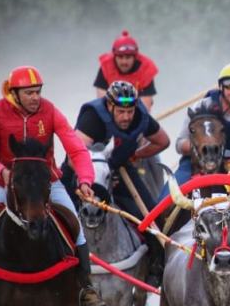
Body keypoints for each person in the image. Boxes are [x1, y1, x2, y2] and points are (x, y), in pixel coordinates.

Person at [0, 66, 105, 306]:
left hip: (48, 183)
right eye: (30, 93)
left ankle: (85, 289)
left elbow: (76, 149)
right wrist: (2, 173)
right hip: (8, 184)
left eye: (38, 92)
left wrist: (85, 180)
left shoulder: (50, 111)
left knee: (76, 227)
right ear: (14, 93)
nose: (36, 98)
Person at [64, 80, 170, 219]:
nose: (126, 117)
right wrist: (93, 177)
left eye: (130, 111)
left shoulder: (140, 116)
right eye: (121, 111)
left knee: (153, 216)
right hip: (84, 173)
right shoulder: (92, 118)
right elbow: (73, 157)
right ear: (109, 106)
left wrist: (135, 155)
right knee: (65, 213)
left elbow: (162, 141)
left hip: (120, 169)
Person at [94, 30, 160, 112]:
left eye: (128, 57)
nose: (124, 62)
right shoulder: (106, 67)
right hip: (111, 114)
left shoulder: (146, 69)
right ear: (114, 56)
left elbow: (145, 107)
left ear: (135, 57)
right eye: (120, 57)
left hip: (136, 114)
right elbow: (102, 102)